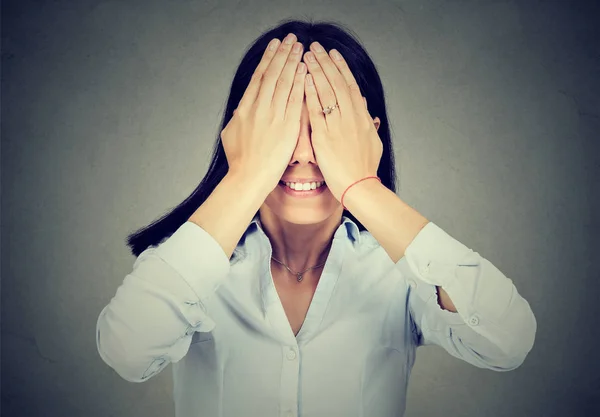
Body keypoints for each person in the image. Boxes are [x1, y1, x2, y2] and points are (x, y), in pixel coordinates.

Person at [96, 19, 537, 417]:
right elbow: (127, 350)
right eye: (282, 129)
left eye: (326, 129)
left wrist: (363, 185)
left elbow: (508, 340)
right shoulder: (189, 266)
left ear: (368, 136)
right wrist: (246, 176)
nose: (304, 154)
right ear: (241, 133)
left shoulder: (402, 274)